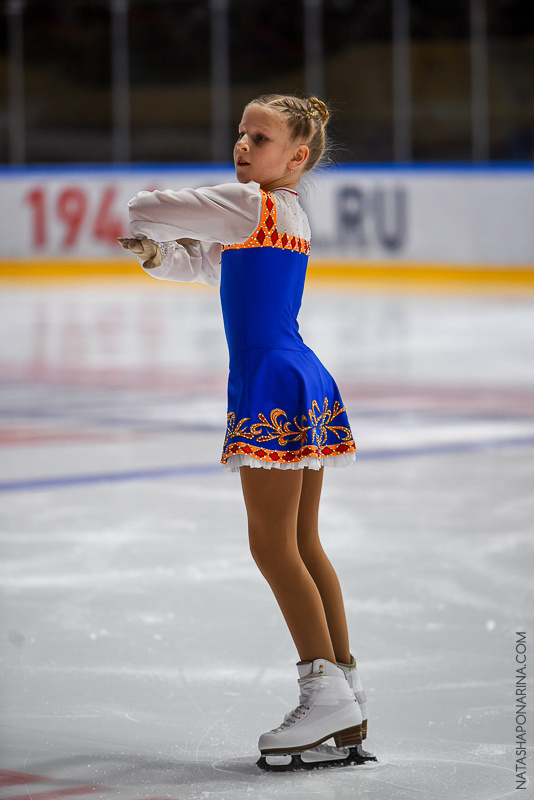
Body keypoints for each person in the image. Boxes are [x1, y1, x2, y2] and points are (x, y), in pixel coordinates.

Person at [119, 94, 373, 770]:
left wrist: (152, 223)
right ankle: (343, 686)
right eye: (239, 133)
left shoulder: (245, 205)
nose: (240, 146)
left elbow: (145, 205)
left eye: (257, 138)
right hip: (302, 374)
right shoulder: (283, 211)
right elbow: (209, 266)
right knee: (303, 542)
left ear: (295, 156)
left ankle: (323, 693)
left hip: (268, 378)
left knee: (271, 545)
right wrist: (158, 255)